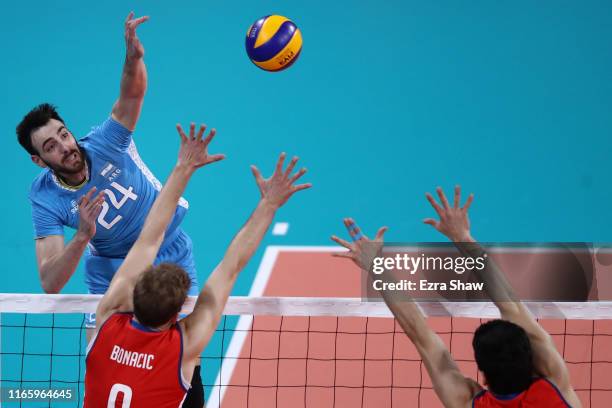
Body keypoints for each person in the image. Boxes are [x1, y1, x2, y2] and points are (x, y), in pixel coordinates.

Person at [16, 13, 209, 405]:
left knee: (184, 355)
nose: (65, 146)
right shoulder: (45, 198)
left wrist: (133, 57)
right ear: (40, 161)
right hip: (111, 272)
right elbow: (50, 283)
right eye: (50, 147)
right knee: (100, 361)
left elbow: (130, 96)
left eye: (63, 134)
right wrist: (82, 235)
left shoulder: (106, 141)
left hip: (169, 252)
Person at [84, 123, 310, 407]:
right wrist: (269, 204)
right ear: (178, 314)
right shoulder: (183, 348)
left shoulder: (106, 317)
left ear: (132, 294)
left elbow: (148, 238)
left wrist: (183, 167)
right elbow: (229, 268)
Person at [330, 186, 580, 408]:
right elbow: (511, 306)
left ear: (481, 372)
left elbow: (420, 333)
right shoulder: (555, 385)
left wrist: (376, 265)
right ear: (532, 356)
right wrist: (463, 237)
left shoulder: (466, 402)